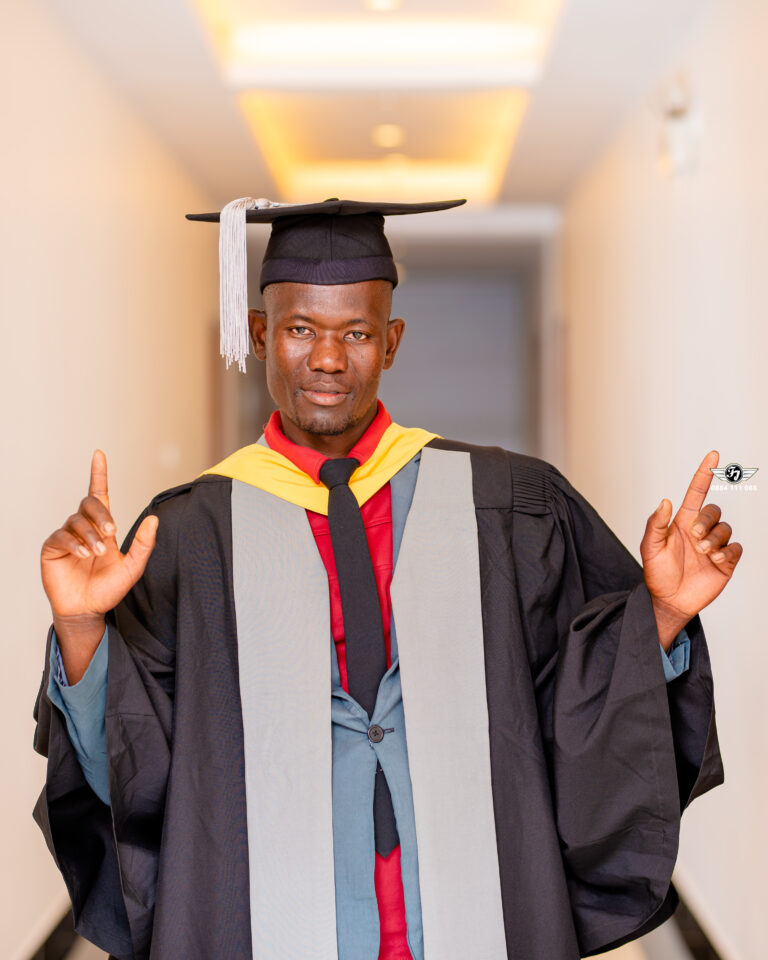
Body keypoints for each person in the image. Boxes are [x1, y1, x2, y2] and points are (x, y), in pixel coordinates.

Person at [34, 198, 736, 960]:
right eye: (301, 329)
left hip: (474, 916)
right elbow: (136, 769)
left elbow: (578, 701)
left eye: (357, 333)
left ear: (391, 342)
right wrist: (80, 628)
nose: (329, 360)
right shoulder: (189, 535)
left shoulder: (507, 502)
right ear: (262, 333)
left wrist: (660, 614)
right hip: (268, 924)